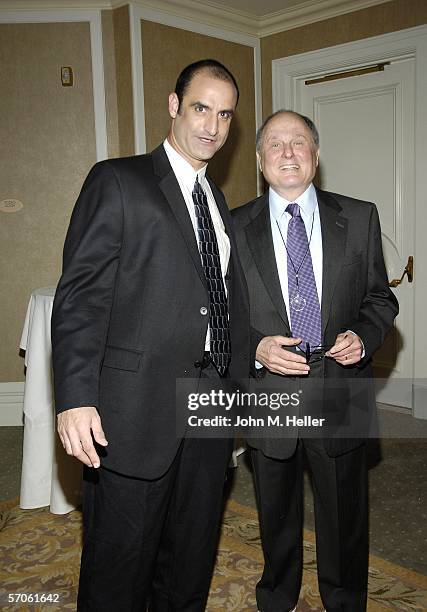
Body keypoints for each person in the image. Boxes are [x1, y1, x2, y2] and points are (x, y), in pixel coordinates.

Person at [51, 59, 250, 611]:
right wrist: (75, 398)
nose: (212, 126)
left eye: (225, 114)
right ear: (173, 106)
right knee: (119, 570)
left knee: (188, 564)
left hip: (209, 412)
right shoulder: (118, 179)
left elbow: (222, 302)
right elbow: (80, 297)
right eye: (200, 108)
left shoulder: (219, 203)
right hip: (133, 414)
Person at [232, 110, 398, 612]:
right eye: (276, 144)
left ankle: (345, 600)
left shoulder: (360, 215)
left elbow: (380, 299)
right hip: (267, 397)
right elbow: (219, 314)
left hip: (341, 390)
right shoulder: (233, 226)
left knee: (345, 515)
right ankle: (277, 597)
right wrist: (255, 347)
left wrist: (365, 337)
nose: (288, 152)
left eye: (298, 142)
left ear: (316, 156)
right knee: (275, 513)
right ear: (261, 161)